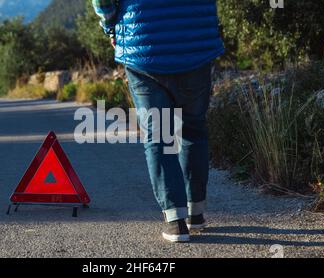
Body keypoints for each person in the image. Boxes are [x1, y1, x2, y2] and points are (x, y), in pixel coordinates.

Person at [92, 0, 225, 242]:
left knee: (159, 133)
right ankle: (196, 212)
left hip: (144, 43)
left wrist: (110, 27)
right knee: (193, 129)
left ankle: (175, 221)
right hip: (196, 41)